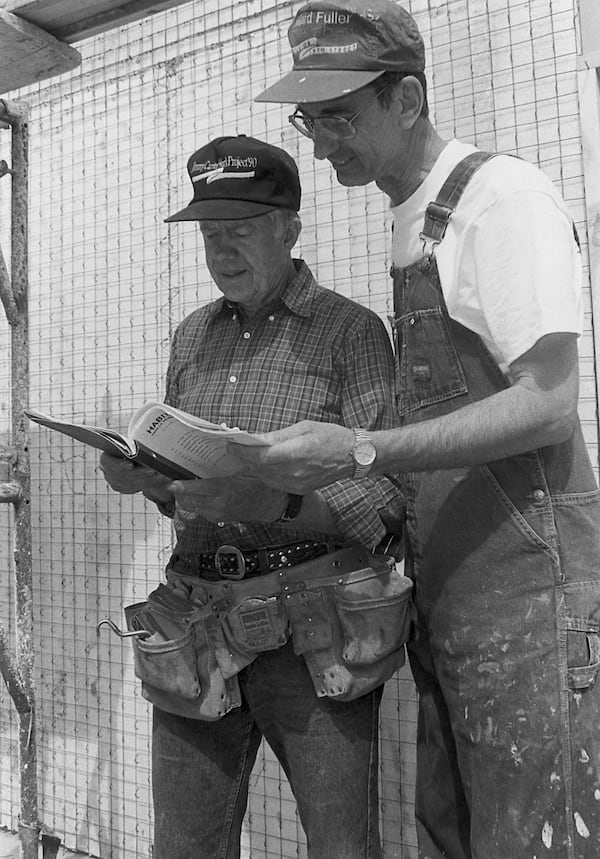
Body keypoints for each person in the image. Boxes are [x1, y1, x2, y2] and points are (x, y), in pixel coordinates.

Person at [248, 3, 600, 857]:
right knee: (454, 834)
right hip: (450, 598)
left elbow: (548, 401)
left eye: (341, 116)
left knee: (535, 839)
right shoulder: (414, 222)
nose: (323, 140)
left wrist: (359, 448)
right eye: (311, 117)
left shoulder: (499, 199)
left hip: (530, 597)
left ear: (406, 100)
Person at [99, 133, 409, 859]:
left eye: (237, 230)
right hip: (198, 623)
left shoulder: (351, 333)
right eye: (209, 233)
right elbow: (190, 493)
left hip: (315, 633)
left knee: (341, 847)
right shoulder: (191, 337)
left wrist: (273, 502)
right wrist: (148, 482)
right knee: (182, 847)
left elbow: (388, 500)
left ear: (291, 227)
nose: (220, 249)